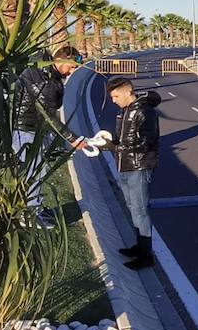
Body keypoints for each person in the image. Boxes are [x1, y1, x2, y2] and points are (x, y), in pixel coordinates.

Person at [10, 45, 87, 225]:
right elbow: (49, 115)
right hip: (27, 129)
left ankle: (33, 206)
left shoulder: (43, 74)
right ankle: (31, 214)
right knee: (35, 171)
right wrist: (72, 139)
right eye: (71, 67)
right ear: (60, 60)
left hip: (31, 128)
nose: (72, 72)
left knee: (34, 169)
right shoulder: (45, 81)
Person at [93, 77, 161, 270]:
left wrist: (116, 147)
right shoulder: (125, 111)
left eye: (115, 96)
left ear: (127, 92)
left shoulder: (144, 111)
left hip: (139, 167)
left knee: (140, 211)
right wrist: (108, 143)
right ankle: (140, 247)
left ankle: (146, 255)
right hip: (124, 165)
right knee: (132, 208)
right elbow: (123, 140)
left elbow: (145, 141)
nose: (113, 101)